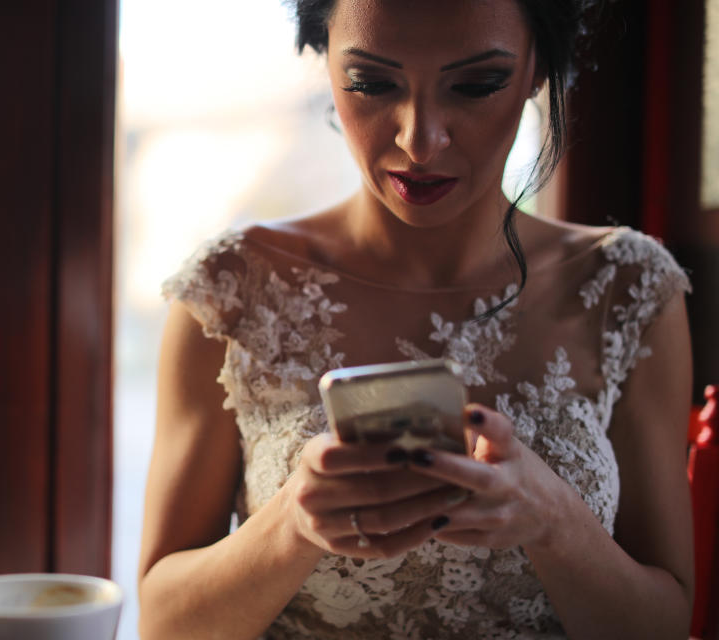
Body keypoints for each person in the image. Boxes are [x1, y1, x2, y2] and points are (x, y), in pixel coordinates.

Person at [137, 0, 695, 637]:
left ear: (539, 69)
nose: (419, 140)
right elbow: (164, 624)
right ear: (325, 60)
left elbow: (666, 623)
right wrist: (293, 523)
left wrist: (554, 520)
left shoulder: (627, 288)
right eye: (373, 83)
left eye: (475, 85)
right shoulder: (231, 293)